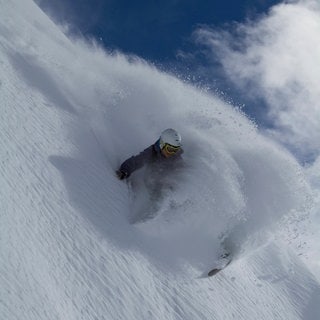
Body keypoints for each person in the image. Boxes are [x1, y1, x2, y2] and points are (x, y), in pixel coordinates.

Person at [116, 128, 183, 180]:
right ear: (162, 145)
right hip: (154, 182)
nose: (173, 153)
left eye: (176, 150)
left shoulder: (175, 155)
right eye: (170, 149)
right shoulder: (151, 153)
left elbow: (182, 169)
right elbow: (136, 161)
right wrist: (124, 171)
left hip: (170, 180)